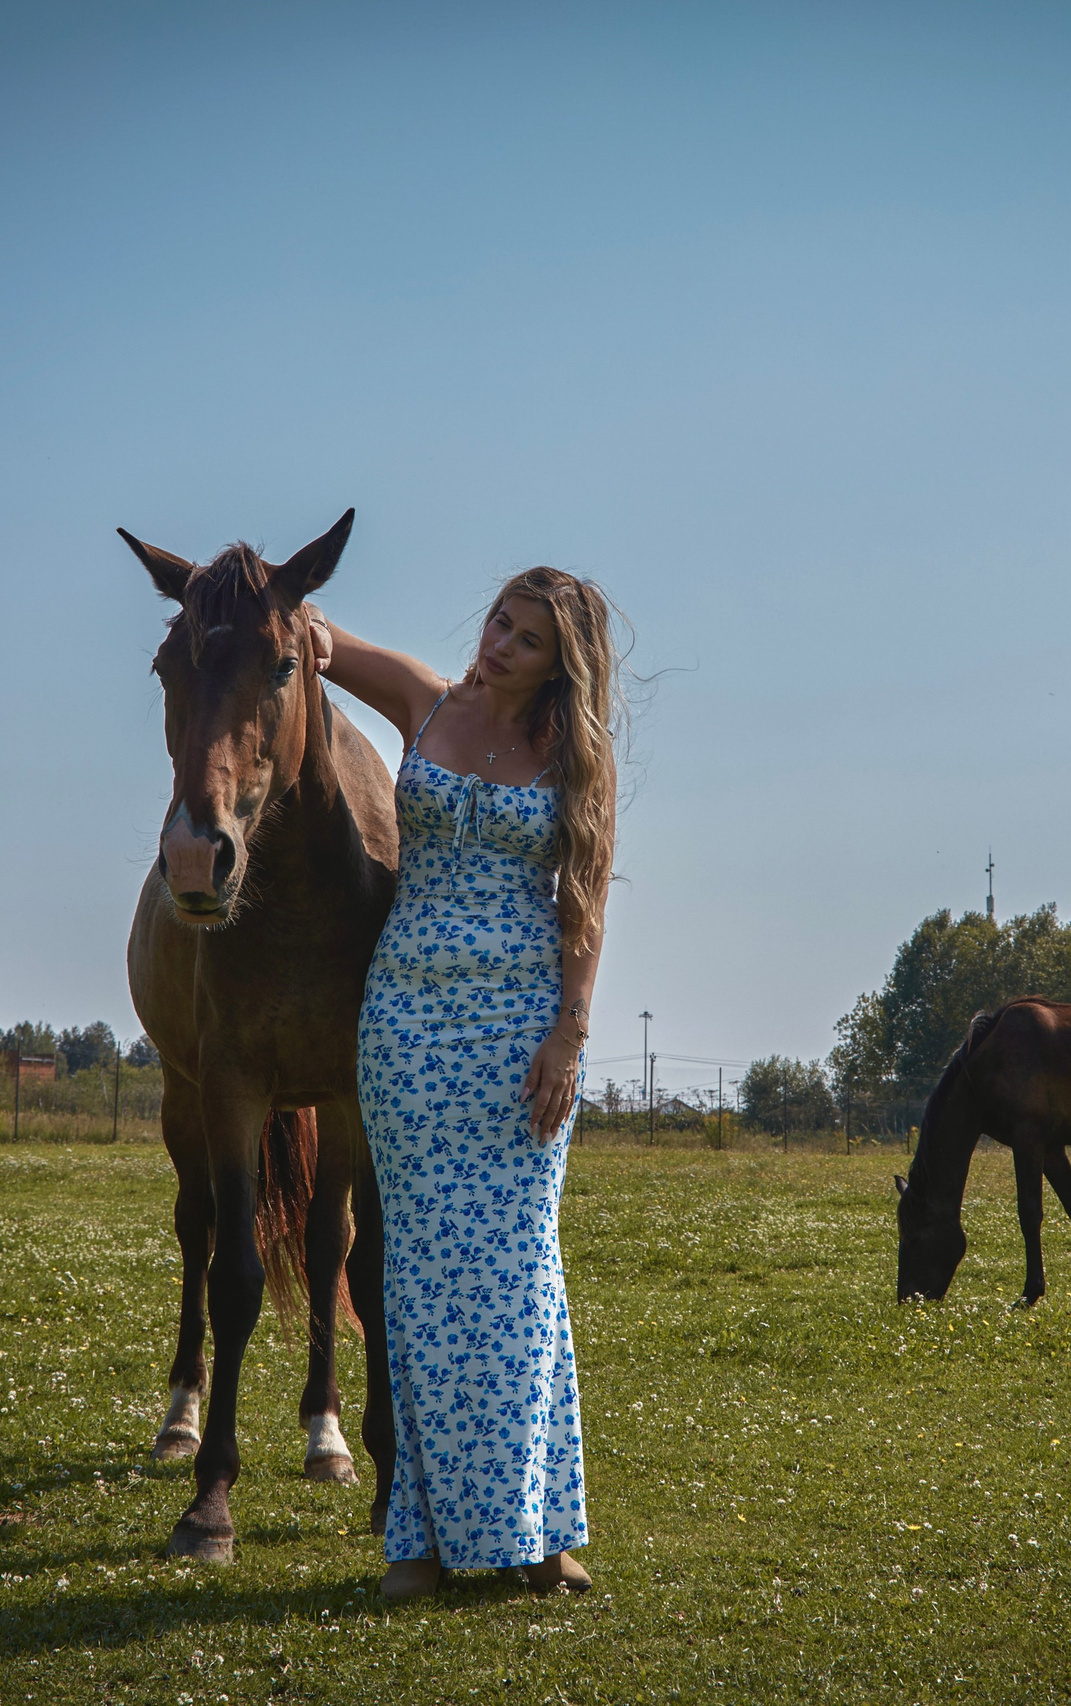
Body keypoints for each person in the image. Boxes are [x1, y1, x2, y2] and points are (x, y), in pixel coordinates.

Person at [307, 567, 620, 1600]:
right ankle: (418, 1542)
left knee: (522, 1273)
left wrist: (567, 1036)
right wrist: (248, 586)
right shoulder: (424, 697)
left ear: (560, 664)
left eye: (525, 640)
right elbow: (315, 635)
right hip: (406, 1024)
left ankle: (540, 1532)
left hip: (518, 1030)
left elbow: (582, 903)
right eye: (498, 622)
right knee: (418, 1277)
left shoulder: (578, 759)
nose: (497, 646)